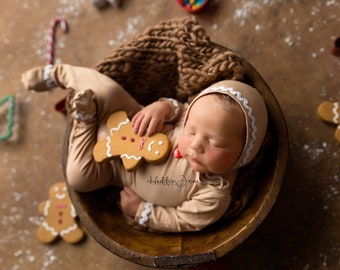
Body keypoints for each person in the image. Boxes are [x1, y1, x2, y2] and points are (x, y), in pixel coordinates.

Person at [21, 64, 268, 232]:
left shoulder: (214, 194)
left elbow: (183, 220)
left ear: (245, 152)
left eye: (215, 143)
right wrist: (160, 108)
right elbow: (179, 108)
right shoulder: (192, 115)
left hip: (113, 171)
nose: (195, 144)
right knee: (107, 90)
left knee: (78, 178)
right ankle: (57, 73)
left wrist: (142, 211)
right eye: (191, 131)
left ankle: (84, 121)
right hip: (130, 120)